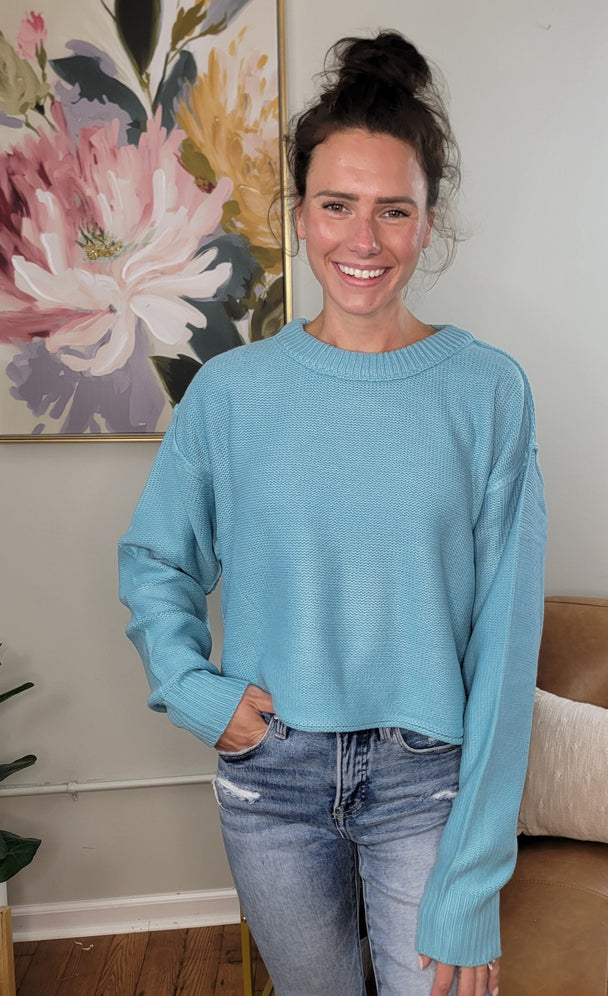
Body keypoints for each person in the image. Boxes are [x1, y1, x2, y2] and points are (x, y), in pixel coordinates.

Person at [119, 29, 546, 996]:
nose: (364, 240)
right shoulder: (230, 395)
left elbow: (508, 645)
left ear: (427, 223)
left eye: (393, 211)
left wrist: (470, 884)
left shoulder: (488, 393)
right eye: (337, 206)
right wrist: (197, 692)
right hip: (271, 775)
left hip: (423, 781)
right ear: (302, 217)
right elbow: (156, 561)